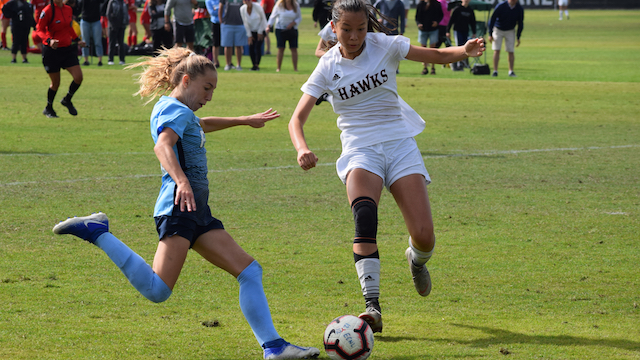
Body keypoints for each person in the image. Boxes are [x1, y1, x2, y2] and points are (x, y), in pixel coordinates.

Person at [52, 47, 321, 360]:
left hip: (197, 212)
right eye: (207, 88)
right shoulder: (174, 111)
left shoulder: (178, 111)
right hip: (180, 207)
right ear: (186, 80)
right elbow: (162, 146)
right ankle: (97, 231)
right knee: (157, 290)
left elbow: (200, 124)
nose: (209, 95)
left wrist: (244, 120)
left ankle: (274, 347)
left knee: (249, 271)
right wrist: (182, 181)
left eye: (213, 90)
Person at [288, 0, 484, 333]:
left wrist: (463, 51)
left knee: (424, 236)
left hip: (399, 142)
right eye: (346, 29)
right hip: (360, 148)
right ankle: (372, 307)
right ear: (333, 28)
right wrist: (302, 148)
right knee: (364, 216)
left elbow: (435, 56)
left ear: (369, 27)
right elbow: (297, 119)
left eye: (361, 29)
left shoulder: (386, 46)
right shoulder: (327, 66)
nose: (353, 36)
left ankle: (416, 259)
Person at [35, 0, 86, 118]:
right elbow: (39, 29)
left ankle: (67, 100)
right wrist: (49, 40)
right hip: (52, 52)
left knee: (78, 77)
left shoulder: (68, 9)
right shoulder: (47, 11)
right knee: (55, 83)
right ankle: (48, 108)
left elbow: (69, 28)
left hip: (67, 50)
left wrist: (77, 40)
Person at [487, 0, 523, 77]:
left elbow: (520, 23)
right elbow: (492, 19)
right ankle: (495, 71)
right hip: (498, 29)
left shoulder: (519, 8)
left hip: (510, 30)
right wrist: (490, 33)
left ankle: (511, 71)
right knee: (497, 50)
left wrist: (518, 36)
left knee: (511, 51)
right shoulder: (501, 6)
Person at [266, 0, 301, 72]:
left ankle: (295, 68)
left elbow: (299, 17)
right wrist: (268, 26)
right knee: (281, 48)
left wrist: (292, 23)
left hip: (292, 30)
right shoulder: (279, 5)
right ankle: (278, 68)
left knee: (294, 48)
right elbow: (273, 16)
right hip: (280, 29)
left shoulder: (295, 5)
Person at [414, 0, 442, 75]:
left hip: (433, 29)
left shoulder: (436, 4)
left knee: (433, 49)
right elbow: (417, 17)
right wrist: (419, 24)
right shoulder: (421, 4)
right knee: (423, 50)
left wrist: (437, 22)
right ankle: (425, 67)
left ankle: (433, 67)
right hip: (423, 29)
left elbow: (440, 15)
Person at [446, 0, 475, 69]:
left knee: (465, 46)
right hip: (457, 30)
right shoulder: (457, 9)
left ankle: (464, 63)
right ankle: (459, 63)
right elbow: (451, 20)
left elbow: (472, 22)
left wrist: (474, 32)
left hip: (466, 31)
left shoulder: (470, 10)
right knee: (459, 46)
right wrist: (448, 31)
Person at [218, 0, 246, 70]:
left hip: (240, 24)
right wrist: (221, 21)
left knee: (239, 45)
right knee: (227, 45)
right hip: (227, 24)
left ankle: (238, 65)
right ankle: (228, 64)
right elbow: (220, 7)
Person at [240, 0, 267, 71]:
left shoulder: (258, 7)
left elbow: (263, 19)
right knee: (251, 47)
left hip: (261, 29)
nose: (247, 1)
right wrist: (249, 35)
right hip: (251, 31)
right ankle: (253, 65)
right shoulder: (242, 9)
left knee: (258, 47)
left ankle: (257, 65)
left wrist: (260, 32)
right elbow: (245, 22)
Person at [79, 0, 104, 66]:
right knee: (85, 41)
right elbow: (79, 4)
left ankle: (100, 61)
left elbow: (103, 2)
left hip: (96, 20)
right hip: (85, 20)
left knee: (98, 41)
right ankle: (86, 60)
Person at [106, 0, 129, 65]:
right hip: (113, 26)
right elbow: (108, 14)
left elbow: (125, 13)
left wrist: (125, 23)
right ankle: (110, 59)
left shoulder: (123, 2)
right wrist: (112, 24)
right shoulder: (112, 1)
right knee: (112, 43)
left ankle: (122, 59)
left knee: (121, 43)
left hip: (121, 26)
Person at [204, 0, 221, 67]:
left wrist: (217, 9)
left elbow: (226, 10)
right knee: (215, 43)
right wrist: (220, 9)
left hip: (224, 23)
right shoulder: (208, 1)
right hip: (215, 23)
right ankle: (215, 61)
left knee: (226, 43)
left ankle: (229, 63)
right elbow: (212, 12)